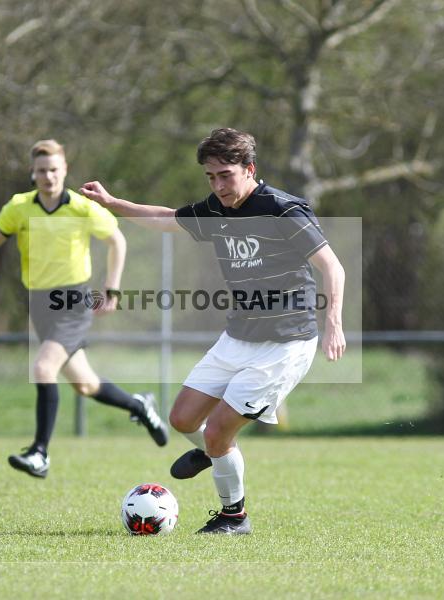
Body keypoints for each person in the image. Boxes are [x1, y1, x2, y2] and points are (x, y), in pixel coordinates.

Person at [80, 128, 346, 534]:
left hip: (285, 345)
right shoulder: (216, 211)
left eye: (226, 175)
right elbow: (168, 219)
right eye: (211, 177)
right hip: (238, 338)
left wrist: (333, 324)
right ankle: (214, 452)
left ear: (249, 169)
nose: (218, 185)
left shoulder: (282, 210)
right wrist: (113, 203)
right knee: (182, 418)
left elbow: (333, 266)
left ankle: (234, 515)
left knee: (220, 430)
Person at [0, 139, 168, 480]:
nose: (48, 176)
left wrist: (112, 289)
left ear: (65, 171)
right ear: (33, 173)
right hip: (39, 304)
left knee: (44, 368)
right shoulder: (18, 208)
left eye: (54, 170)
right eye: (42, 170)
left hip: (73, 302)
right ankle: (140, 406)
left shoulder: (81, 207)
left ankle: (39, 453)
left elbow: (117, 240)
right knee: (86, 385)